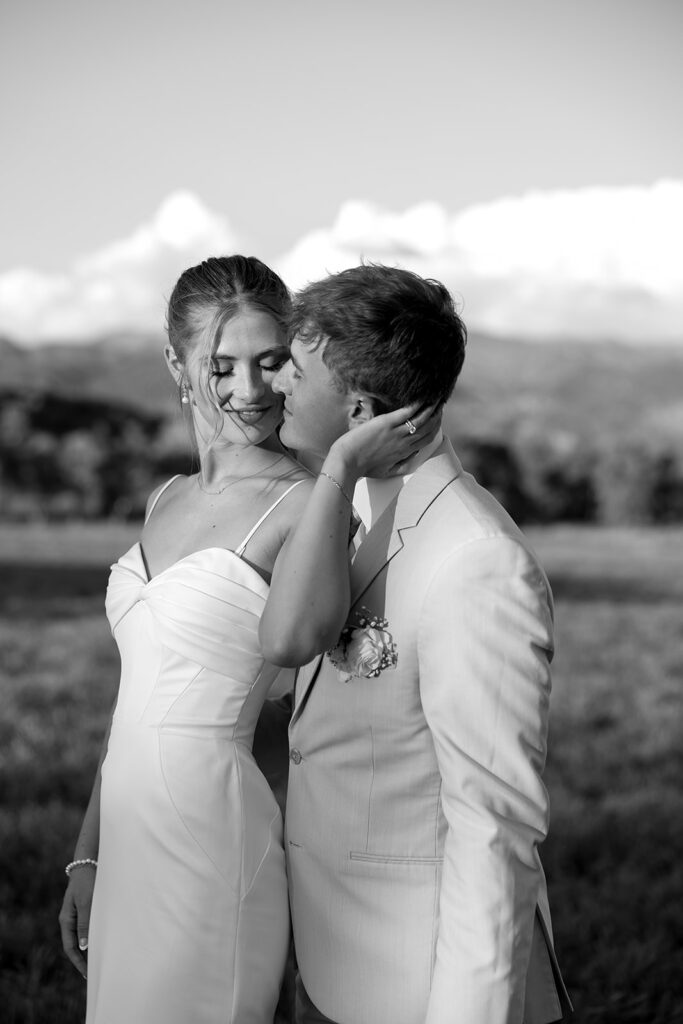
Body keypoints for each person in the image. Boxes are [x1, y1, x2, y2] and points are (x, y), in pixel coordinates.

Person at [59, 255, 430, 1024]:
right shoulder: (167, 497)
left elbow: (296, 642)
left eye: (270, 363)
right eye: (220, 366)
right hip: (128, 829)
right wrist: (89, 853)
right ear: (176, 364)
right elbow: (140, 704)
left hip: (209, 834)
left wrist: (337, 472)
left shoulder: (306, 503)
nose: (249, 391)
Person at [257, 264, 572, 1024]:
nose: (276, 390)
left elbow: (491, 827)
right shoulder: (351, 513)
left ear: (360, 410)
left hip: (424, 986)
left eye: (295, 373)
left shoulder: (477, 562)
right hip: (341, 962)